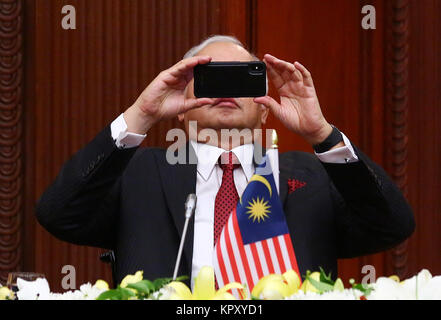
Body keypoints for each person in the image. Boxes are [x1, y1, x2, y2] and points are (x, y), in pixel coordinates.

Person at [36, 35, 415, 288]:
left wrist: (322, 134)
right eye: (210, 77)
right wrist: (142, 114)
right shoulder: (138, 173)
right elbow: (58, 214)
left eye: (241, 79)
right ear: (181, 108)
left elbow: (392, 225)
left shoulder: (311, 175)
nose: (226, 91)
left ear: (264, 110)